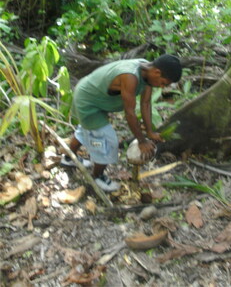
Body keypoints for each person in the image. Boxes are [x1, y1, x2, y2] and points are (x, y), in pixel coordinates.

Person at [61, 54, 182, 192]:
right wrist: (141, 141)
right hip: (87, 101)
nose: (161, 87)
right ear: (157, 72)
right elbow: (129, 113)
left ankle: (68, 159)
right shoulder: (130, 76)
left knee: (85, 131)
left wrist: (150, 132)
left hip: (93, 96)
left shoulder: (147, 73)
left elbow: (146, 103)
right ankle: (98, 177)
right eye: (163, 83)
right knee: (107, 140)